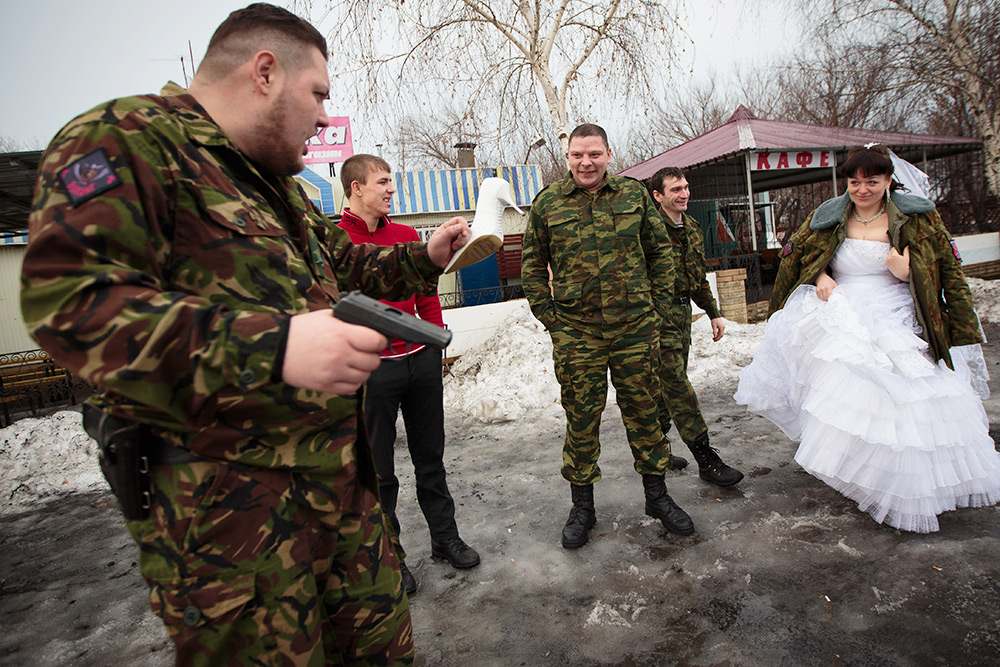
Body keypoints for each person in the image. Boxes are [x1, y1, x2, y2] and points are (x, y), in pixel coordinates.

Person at [20, 4, 472, 664]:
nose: (323, 116)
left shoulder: (278, 189)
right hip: (234, 533)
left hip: (342, 501)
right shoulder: (126, 141)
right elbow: (70, 300)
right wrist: (277, 347)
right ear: (264, 71)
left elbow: (343, 262)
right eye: (317, 93)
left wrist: (424, 257)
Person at [734, 143, 1000, 533]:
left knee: (904, 388)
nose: (862, 189)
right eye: (855, 182)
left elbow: (946, 272)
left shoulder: (918, 219)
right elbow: (801, 257)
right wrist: (819, 276)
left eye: (872, 181)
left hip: (895, 309)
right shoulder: (827, 216)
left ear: (889, 181)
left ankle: (907, 479)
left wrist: (908, 272)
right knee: (847, 389)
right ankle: (861, 469)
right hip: (842, 306)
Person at [520, 123, 694, 550]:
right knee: (581, 420)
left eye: (594, 154)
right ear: (568, 157)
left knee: (646, 415)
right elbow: (530, 268)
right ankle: (583, 507)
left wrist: (652, 308)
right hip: (578, 335)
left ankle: (657, 497)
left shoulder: (633, 195)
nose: (586, 162)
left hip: (635, 329)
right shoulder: (548, 204)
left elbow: (660, 252)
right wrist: (555, 323)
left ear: (608, 154)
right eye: (578, 155)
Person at [336, 154, 480, 596]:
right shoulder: (337, 243)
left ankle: (444, 538)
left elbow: (427, 293)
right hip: (373, 371)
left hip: (420, 362)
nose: (391, 190)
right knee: (379, 472)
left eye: (391, 182)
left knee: (430, 459)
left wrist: (434, 343)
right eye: (382, 182)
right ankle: (389, 553)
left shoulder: (404, 236)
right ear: (357, 187)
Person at [647, 167, 744, 487]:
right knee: (676, 385)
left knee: (665, 388)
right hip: (656, 318)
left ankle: (658, 449)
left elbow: (697, 276)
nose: (684, 193)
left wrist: (713, 311)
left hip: (682, 316)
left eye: (686, 187)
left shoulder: (691, 226)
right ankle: (705, 457)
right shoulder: (648, 229)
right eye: (675, 189)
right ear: (658, 196)